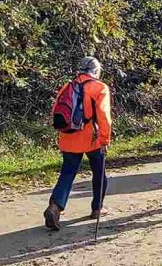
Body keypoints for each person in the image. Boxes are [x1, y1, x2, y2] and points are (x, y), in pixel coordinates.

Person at [44, 57, 113, 230]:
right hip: (92, 138)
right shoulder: (99, 87)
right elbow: (104, 116)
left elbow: (56, 111)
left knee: (67, 173)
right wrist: (105, 139)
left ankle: (55, 207)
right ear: (96, 71)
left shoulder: (68, 86)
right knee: (99, 172)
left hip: (68, 137)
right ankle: (97, 208)